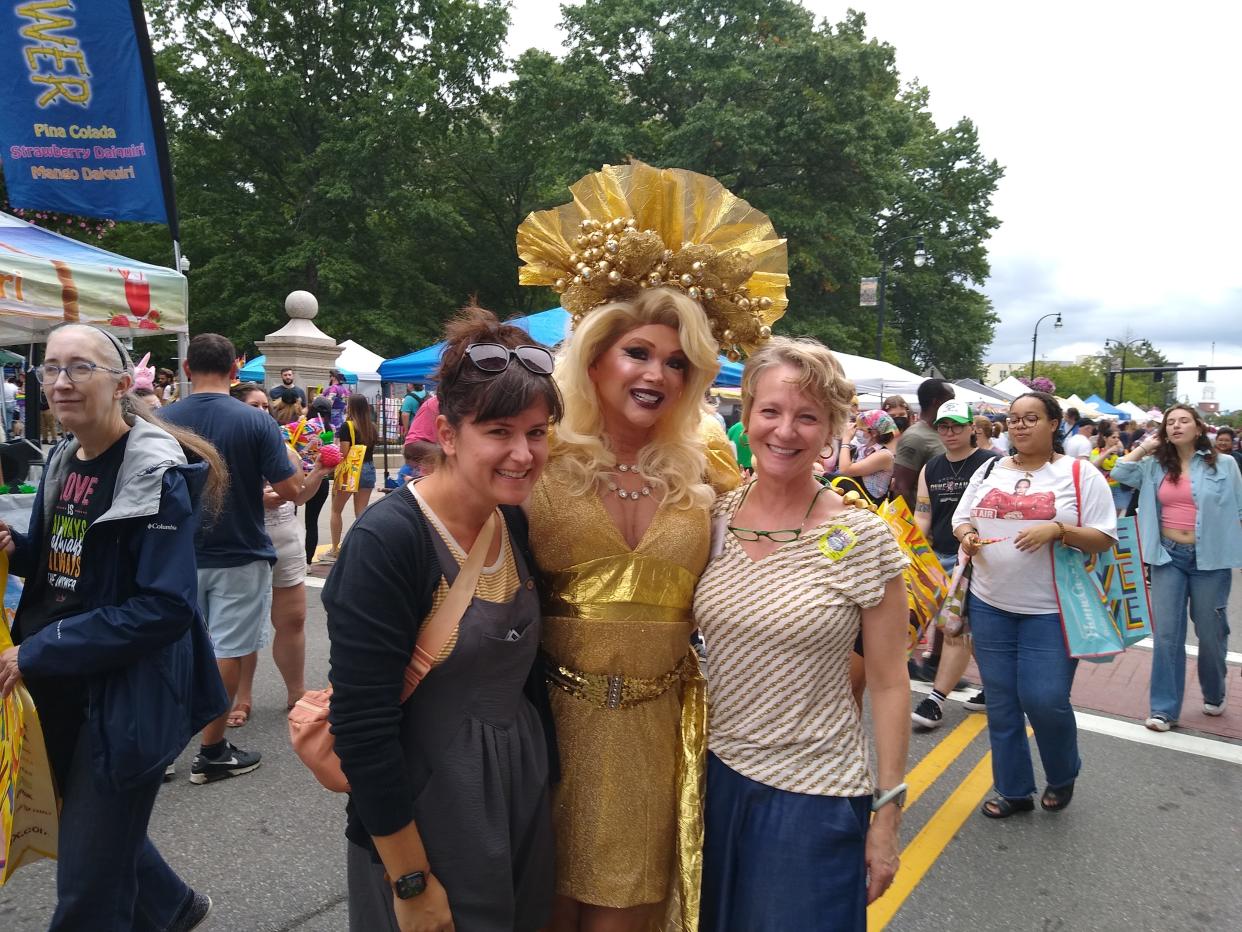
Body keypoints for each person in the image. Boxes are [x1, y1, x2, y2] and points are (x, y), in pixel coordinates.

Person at [515, 160, 770, 932]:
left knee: (629, 914)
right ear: (595, 358)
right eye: (639, 353)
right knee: (541, 909)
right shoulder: (536, 461)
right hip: (544, 736)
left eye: (677, 361)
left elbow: (766, 568)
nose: (657, 372)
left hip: (657, 740)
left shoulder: (708, 478)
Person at [324, 306, 562, 931]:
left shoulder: (509, 521)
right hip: (428, 813)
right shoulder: (390, 541)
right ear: (450, 435)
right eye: (499, 431)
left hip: (519, 797)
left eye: (537, 433)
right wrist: (409, 880)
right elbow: (362, 725)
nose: (522, 453)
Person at [0, 323, 228, 930]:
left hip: (126, 697)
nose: (60, 382)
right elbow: (66, 565)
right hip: (62, 687)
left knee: (85, 890)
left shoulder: (157, 475)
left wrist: (37, 651)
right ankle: (173, 908)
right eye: (51, 368)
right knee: (92, 833)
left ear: (122, 383)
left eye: (80, 368)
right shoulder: (62, 458)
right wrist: (19, 548)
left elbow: (164, 606)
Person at [694, 338, 909, 930]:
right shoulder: (710, 517)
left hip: (813, 793)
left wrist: (887, 816)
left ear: (832, 428)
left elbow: (891, 685)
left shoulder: (863, 538)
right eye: (771, 411)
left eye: (807, 416)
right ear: (747, 414)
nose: (785, 431)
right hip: (711, 780)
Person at [161, 334, 321, 783]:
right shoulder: (255, 422)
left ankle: (165, 750)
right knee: (228, 648)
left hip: (175, 552)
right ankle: (211, 751)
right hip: (239, 550)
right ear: (236, 369)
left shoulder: (160, 420)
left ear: (188, 368)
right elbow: (292, 492)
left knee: (175, 648)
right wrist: (318, 471)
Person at [951, 392, 1117, 818]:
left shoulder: (1079, 474)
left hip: (1053, 609)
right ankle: (1014, 790)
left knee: (1045, 699)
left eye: (1031, 418)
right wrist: (968, 535)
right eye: (1014, 419)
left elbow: (1104, 536)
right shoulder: (989, 468)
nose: (1020, 426)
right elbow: (961, 518)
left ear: (1054, 424)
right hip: (990, 603)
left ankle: (1062, 774)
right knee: (1003, 701)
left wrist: (1058, 529)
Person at [1112, 405, 1242, 731]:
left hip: (1210, 559)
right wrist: (1147, 445)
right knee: (1167, 635)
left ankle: (1214, 689)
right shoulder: (1156, 466)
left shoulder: (1224, 465)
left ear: (1198, 428)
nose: (1176, 425)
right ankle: (1164, 709)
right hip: (1167, 557)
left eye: (1184, 420)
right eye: (1170, 422)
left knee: (1211, 634)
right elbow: (1119, 471)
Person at [228, 383, 333, 722]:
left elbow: (299, 496)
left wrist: (318, 471)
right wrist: (256, 499)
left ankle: (296, 691)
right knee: (244, 625)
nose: (261, 412)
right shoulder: (226, 448)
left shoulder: (283, 450)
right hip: (244, 542)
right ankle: (241, 698)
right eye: (253, 406)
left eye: (264, 407)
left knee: (293, 620)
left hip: (286, 542)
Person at [910, 399, 996, 728]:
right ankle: (996, 687)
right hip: (942, 556)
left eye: (956, 426)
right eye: (943, 426)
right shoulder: (931, 467)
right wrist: (913, 551)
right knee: (959, 628)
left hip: (978, 559)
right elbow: (923, 515)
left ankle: (935, 700)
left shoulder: (991, 464)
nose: (949, 433)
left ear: (972, 427)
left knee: (953, 627)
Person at [324, 393, 379, 563]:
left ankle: (335, 549)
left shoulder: (347, 426)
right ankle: (364, 547)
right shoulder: (372, 426)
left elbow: (344, 453)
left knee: (336, 509)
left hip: (352, 471)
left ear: (351, 407)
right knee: (361, 512)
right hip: (369, 468)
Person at [889, 379, 955, 509]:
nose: (955, 404)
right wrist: (915, 525)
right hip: (924, 523)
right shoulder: (915, 437)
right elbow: (901, 488)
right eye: (951, 399)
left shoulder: (943, 432)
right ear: (937, 402)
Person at [836, 409, 898, 503]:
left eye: (861, 428)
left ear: (874, 433)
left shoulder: (884, 455)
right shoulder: (863, 449)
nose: (857, 431)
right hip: (860, 504)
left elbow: (845, 470)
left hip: (872, 508)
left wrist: (846, 439)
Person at [303, 394, 334, 562]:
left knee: (290, 518)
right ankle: (308, 562)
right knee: (312, 522)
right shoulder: (331, 429)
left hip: (302, 476)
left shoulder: (304, 426)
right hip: (321, 479)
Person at [1090, 420, 1128, 512]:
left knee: (1117, 513)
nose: (1116, 439)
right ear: (1105, 438)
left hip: (1118, 487)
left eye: (1118, 437)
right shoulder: (1097, 451)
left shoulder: (1120, 452)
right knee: (1104, 512)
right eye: (1113, 437)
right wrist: (1107, 452)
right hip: (1103, 487)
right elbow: (1093, 465)